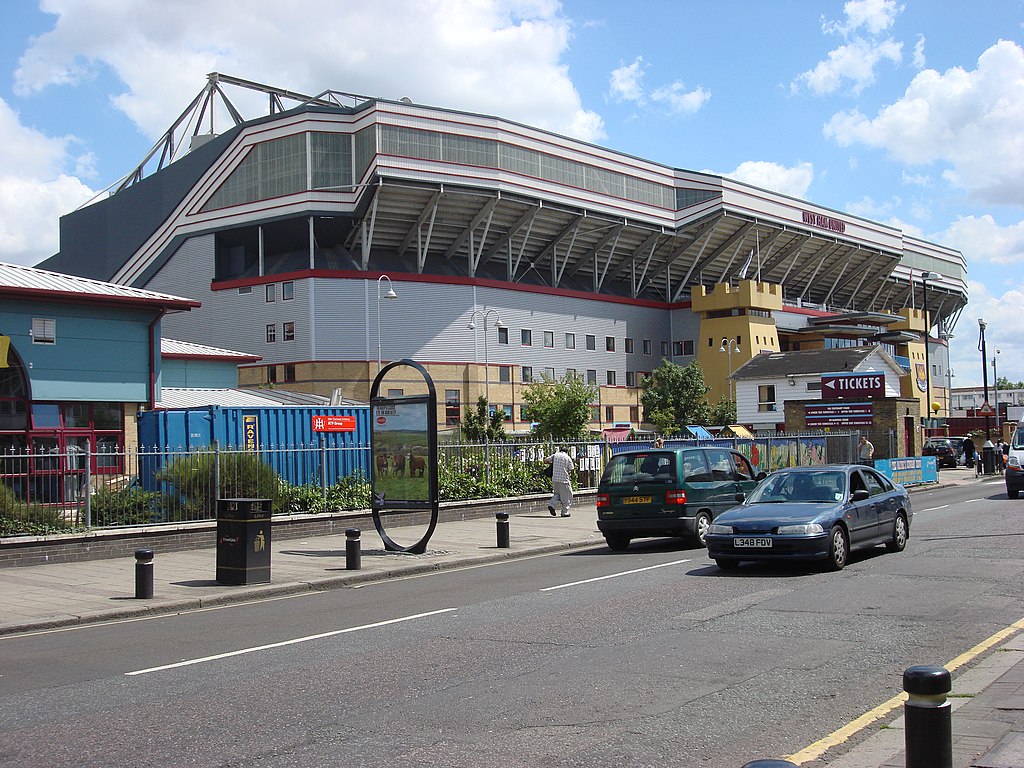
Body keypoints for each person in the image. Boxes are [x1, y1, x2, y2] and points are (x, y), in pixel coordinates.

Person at [544, 446, 575, 518]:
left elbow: (546, 460)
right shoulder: (567, 457)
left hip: (555, 479)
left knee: (557, 494)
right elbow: (571, 468)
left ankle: (552, 505)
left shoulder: (555, 455)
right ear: (567, 451)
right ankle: (565, 512)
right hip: (564, 480)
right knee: (568, 496)